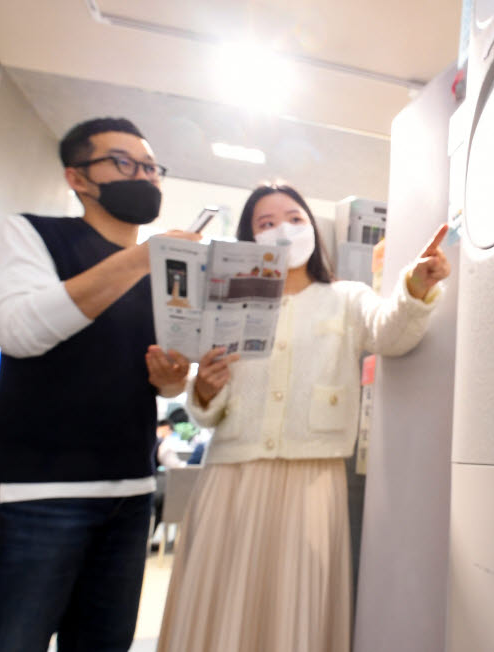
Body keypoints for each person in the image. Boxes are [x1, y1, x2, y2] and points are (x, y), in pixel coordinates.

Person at [157, 183, 450, 652]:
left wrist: (415, 287)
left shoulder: (346, 297)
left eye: (293, 218)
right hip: (234, 475)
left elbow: (391, 334)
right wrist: (206, 390)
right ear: (248, 241)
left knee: (297, 603)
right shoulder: (228, 307)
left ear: (312, 227)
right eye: (265, 223)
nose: (282, 230)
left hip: (313, 479)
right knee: (223, 598)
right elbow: (205, 411)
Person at [0, 117, 197, 651]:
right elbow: (21, 333)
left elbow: (156, 380)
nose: (143, 176)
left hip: (130, 492)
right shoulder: (31, 234)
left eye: (150, 167)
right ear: (78, 178)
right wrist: (141, 258)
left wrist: (171, 381)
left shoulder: (168, 274)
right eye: (123, 163)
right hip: (36, 494)